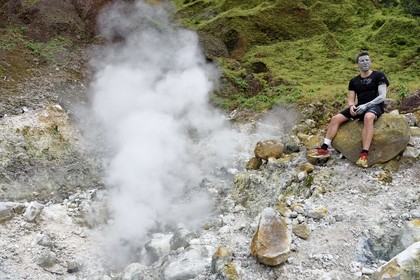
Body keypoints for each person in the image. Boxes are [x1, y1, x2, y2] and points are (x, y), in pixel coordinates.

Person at [308, 51, 389, 167]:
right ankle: (324, 148)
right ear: (357, 64)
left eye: (367, 60)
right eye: (362, 60)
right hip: (359, 106)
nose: (365, 62)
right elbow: (351, 99)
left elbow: (382, 96)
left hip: (375, 105)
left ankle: (364, 154)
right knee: (335, 118)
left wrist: (366, 105)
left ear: (370, 61)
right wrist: (352, 106)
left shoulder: (379, 75)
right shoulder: (354, 81)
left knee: (368, 116)